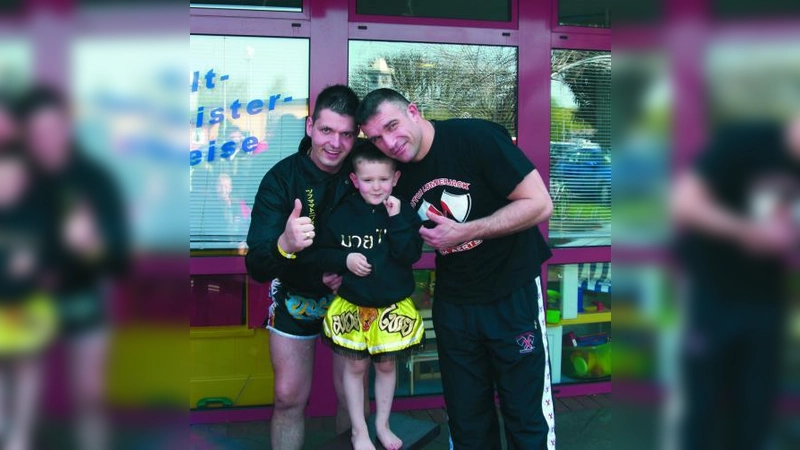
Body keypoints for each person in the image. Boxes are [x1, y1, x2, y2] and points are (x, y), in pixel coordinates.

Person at [356, 88, 556, 450]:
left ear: (413, 111)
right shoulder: (395, 172)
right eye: (376, 138)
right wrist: (338, 263)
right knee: (467, 423)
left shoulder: (474, 137)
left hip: (511, 293)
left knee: (526, 418)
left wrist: (468, 231)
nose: (389, 143)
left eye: (392, 126)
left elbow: (540, 204)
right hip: (455, 304)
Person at [245, 84, 366, 450]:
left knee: (353, 398)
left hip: (350, 297)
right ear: (310, 126)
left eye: (346, 134)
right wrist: (284, 244)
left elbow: (391, 238)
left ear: (356, 136)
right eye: (326, 130)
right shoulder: (281, 178)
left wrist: (349, 270)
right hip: (294, 295)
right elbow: (256, 265)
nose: (335, 143)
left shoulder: (365, 174)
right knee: (288, 397)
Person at [671, 118, 800, 450]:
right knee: (702, 407)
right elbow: (684, 203)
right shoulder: (745, 141)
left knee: (755, 412)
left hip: (767, 300)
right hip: (712, 294)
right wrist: (747, 232)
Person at [16, 84, 130, 450]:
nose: (45, 140)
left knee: (89, 394)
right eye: (36, 132)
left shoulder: (94, 179)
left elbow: (118, 260)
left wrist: (91, 244)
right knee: (15, 383)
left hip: (82, 293)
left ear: (66, 127)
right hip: (23, 297)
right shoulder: (16, 177)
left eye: (52, 129)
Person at [315, 144, 424, 450]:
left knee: (387, 367)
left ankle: (382, 425)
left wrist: (397, 219)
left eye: (383, 179)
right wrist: (345, 259)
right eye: (368, 180)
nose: (376, 187)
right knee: (355, 369)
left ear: (395, 178)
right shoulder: (342, 214)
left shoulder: (404, 212)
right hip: (353, 304)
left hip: (391, 307)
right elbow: (321, 252)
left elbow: (409, 255)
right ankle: (358, 430)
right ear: (354, 179)